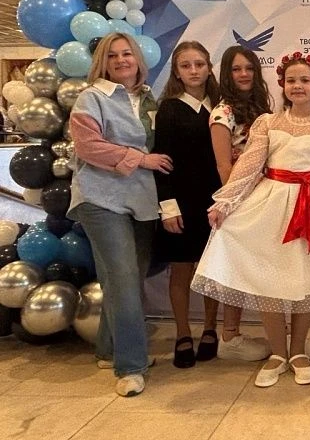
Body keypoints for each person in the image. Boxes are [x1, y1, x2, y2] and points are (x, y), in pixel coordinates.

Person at [192, 52, 310, 388]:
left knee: (304, 280)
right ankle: (278, 353)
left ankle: (298, 351)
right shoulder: (268, 123)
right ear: (282, 85)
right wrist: (225, 202)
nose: (298, 86)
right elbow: (248, 166)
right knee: (269, 281)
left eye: (305, 80)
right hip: (270, 207)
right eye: (291, 80)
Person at [68, 32, 173, 397]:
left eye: (126, 53)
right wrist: (140, 159)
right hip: (100, 198)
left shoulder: (148, 98)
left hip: (141, 200)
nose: (121, 60)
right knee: (125, 277)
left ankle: (108, 348)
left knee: (125, 278)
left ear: (137, 59)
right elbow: (87, 146)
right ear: (103, 62)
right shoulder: (91, 97)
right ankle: (131, 366)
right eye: (112, 56)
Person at [153, 42, 221, 368]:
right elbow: (162, 162)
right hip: (181, 203)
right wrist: (168, 206)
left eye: (199, 64)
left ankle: (210, 329)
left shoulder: (220, 107)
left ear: (209, 67)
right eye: (186, 65)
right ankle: (182, 333)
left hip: (215, 201)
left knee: (211, 270)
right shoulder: (168, 109)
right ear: (177, 72)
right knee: (181, 270)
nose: (193, 70)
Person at [207, 46, 274, 361]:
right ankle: (230, 336)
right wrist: (234, 203)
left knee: (265, 268)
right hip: (241, 202)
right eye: (236, 69)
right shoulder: (222, 113)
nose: (244, 74)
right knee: (237, 268)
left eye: (249, 68)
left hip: (268, 197)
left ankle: (279, 336)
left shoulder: (263, 107)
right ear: (226, 74)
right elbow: (224, 165)